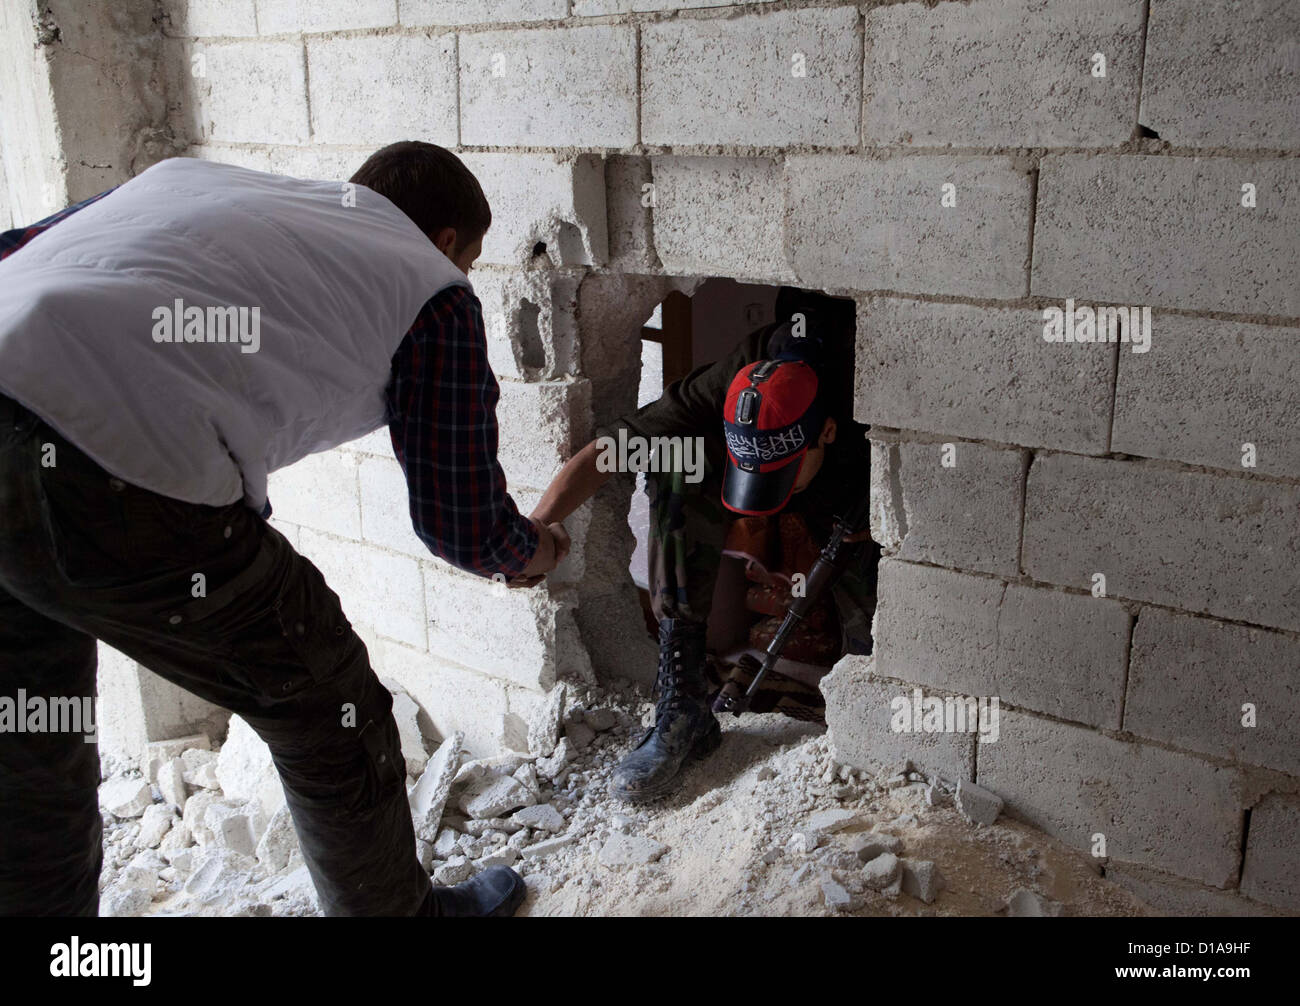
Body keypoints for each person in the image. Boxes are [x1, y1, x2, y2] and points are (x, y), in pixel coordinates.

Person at [0, 141, 567, 917]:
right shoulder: (432, 290)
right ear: (445, 242)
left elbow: (16, 250)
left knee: (28, 733)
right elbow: (459, 521)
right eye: (470, 258)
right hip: (102, 461)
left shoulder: (193, 178)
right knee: (324, 698)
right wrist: (534, 551)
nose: (464, 273)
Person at [531, 289, 880, 803]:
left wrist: (875, 514)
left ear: (826, 431)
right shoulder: (731, 384)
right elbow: (614, 448)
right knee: (677, 460)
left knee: (874, 601)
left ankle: (869, 698)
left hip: (855, 475)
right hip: (805, 459)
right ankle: (684, 704)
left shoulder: (870, 386)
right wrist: (539, 524)